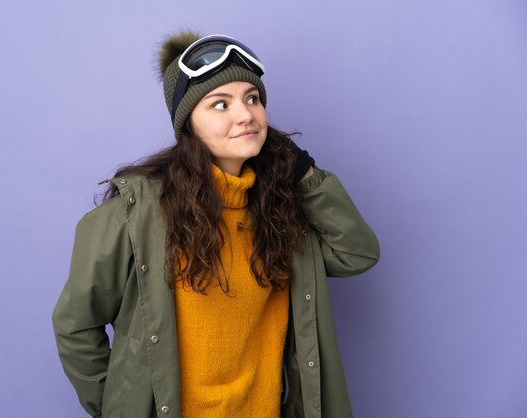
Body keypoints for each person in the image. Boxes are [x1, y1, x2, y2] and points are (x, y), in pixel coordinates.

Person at [52, 31, 380, 418]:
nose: (245, 115)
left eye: (252, 99)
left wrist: (304, 173)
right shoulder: (134, 213)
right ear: (188, 123)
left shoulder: (281, 210)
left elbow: (356, 253)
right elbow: (75, 325)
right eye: (220, 104)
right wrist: (121, 406)